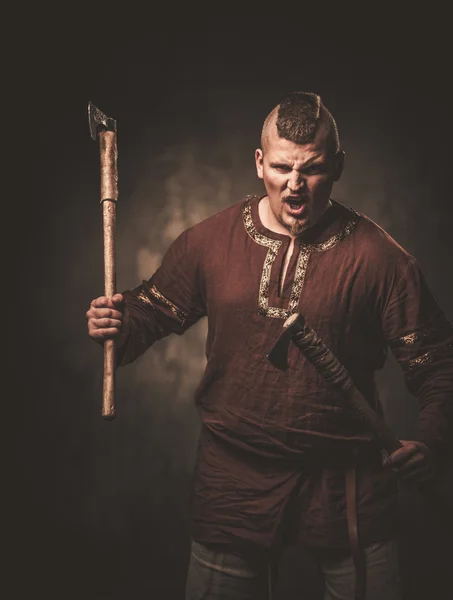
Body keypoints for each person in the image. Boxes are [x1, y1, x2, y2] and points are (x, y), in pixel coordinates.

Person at [86, 92, 453, 600]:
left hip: (347, 482)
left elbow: (437, 361)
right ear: (260, 163)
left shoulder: (382, 260)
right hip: (233, 479)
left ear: (339, 166)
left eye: (313, 169)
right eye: (282, 167)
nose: (295, 183)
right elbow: (152, 312)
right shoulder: (209, 241)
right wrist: (118, 322)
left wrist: (431, 438)